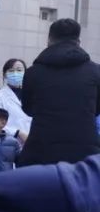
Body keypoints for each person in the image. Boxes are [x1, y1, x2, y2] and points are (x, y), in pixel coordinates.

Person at [18, 19, 100, 167]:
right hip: (85, 153)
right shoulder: (95, 71)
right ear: (78, 41)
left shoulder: (33, 73)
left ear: (49, 40)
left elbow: (28, 109)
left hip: (40, 151)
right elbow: (97, 110)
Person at [0, 58, 31, 143]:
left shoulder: (33, 94)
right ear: (5, 75)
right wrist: (17, 133)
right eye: (11, 71)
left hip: (33, 142)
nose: (15, 73)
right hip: (8, 143)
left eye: (19, 70)